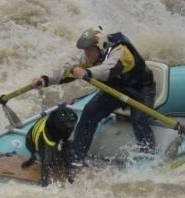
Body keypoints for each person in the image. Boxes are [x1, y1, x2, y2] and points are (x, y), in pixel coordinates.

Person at [31, 26, 156, 166]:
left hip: (141, 90)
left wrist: (88, 73)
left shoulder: (121, 52)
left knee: (138, 119)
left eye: (89, 50)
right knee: (89, 112)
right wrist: (45, 79)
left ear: (100, 46)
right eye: (85, 50)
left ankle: (149, 156)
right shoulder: (90, 56)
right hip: (115, 90)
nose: (86, 54)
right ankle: (77, 156)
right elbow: (67, 70)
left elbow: (108, 70)